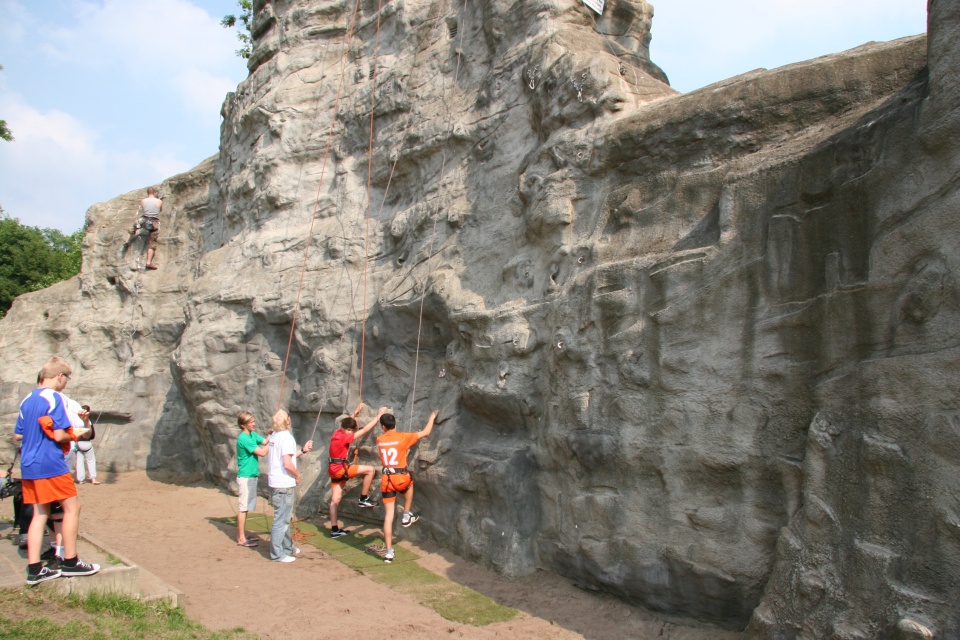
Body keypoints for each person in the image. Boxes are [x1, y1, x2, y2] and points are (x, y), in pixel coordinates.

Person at [15, 357, 100, 584]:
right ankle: (71, 561)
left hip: (29, 465)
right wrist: (78, 432)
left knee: (40, 513)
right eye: (66, 379)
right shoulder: (54, 398)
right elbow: (60, 434)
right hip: (50, 463)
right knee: (72, 507)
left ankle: (35, 569)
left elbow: (18, 434)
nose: (66, 383)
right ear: (59, 376)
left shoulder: (27, 400)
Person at [375, 409, 439, 564]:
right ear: (395, 423)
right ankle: (406, 514)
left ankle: (389, 552)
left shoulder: (380, 439)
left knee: (388, 516)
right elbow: (425, 432)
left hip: (387, 479)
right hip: (400, 476)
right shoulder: (403, 437)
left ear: (383, 427)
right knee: (409, 487)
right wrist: (432, 417)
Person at [327, 403, 386, 538]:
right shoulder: (345, 437)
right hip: (341, 470)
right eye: (351, 430)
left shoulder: (337, 432)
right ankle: (363, 498)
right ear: (347, 430)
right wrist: (379, 416)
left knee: (335, 500)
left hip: (333, 470)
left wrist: (355, 412)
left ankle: (335, 529)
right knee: (370, 470)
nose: (352, 433)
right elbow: (364, 430)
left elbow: (346, 423)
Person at [267, 410, 313, 563]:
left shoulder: (274, 436)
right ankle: (277, 554)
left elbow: (287, 457)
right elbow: (287, 464)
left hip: (277, 483)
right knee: (281, 520)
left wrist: (303, 451)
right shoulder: (286, 437)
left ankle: (287, 548)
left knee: (285, 519)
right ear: (287, 421)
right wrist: (297, 475)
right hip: (283, 484)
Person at [236, 411, 269, 547]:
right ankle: (241, 538)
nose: (254, 424)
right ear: (244, 424)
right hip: (245, 476)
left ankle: (243, 534)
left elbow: (265, 441)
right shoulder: (243, 438)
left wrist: (271, 435)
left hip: (251, 476)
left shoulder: (252, 434)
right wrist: (273, 442)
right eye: (251, 422)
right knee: (243, 508)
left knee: (246, 507)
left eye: (254, 421)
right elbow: (262, 452)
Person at [121, 187, 162, 269]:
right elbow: (160, 210)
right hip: (153, 222)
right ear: (154, 193)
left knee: (134, 227)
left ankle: (127, 240)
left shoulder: (143, 201)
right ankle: (148, 262)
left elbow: (144, 209)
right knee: (152, 243)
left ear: (147, 193)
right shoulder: (159, 201)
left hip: (143, 220)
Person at [73, 404, 99, 484]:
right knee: (91, 460)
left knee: (79, 461)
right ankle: (93, 478)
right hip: (87, 443)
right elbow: (92, 434)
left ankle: (80, 480)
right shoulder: (88, 421)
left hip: (78, 443)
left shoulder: (76, 421)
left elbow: (74, 433)